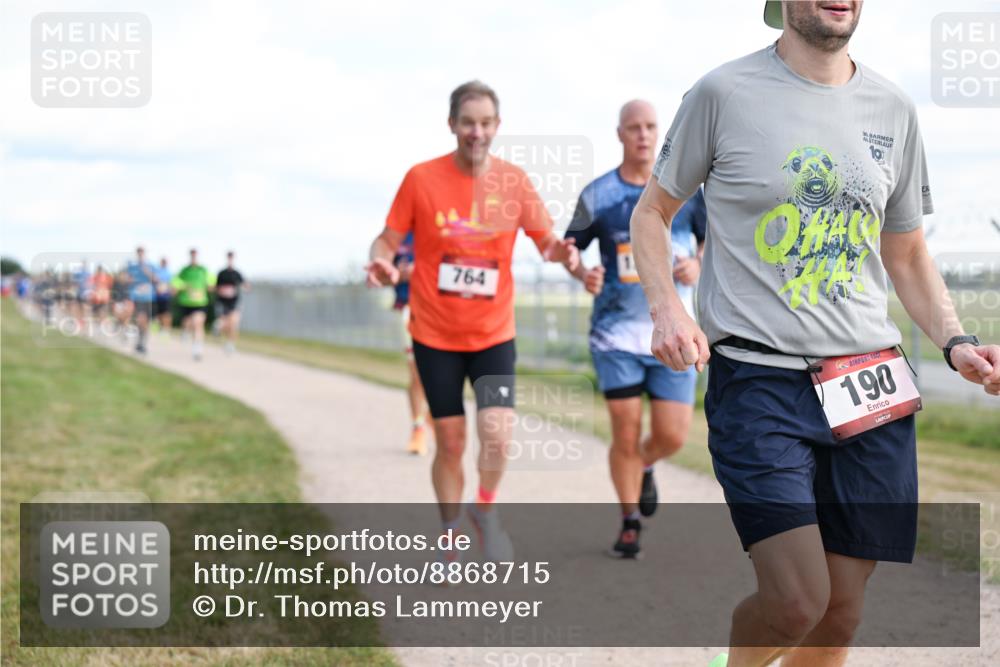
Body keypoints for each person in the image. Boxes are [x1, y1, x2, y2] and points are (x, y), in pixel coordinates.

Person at [630, 3, 1000, 666]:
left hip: (870, 383)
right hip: (758, 379)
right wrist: (668, 308)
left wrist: (955, 339)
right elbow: (652, 213)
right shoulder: (722, 93)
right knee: (796, 599)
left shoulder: (893, 107)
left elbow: (908, 253)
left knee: (839, 613)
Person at [365, 80, 579, 561]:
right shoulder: (421, 179)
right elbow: (387, 239)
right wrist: (380, 260)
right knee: (451, 439)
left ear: (497, 126)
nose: (476, 132)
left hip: (492, 335)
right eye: (468, 122)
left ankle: (484, 509)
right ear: (451, 125)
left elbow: (545, 242)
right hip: (435, 334)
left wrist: (562, 252)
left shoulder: (514, 181)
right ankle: (449, 535)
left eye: (485, 123)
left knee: (498, 436)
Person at [563, 100, 706, 559]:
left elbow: (711, 240)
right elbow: (571, 247)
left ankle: (645, 464)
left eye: (650, 127)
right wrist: (580, 272)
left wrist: (696, 263)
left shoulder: (685, 191)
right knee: (623, 432)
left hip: (675, 334)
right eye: (633, 128)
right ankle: (628, 523)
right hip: (615, 337)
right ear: (620, 134)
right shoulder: (598, 195)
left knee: (673, 435)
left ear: (659, 133)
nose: (643, 135)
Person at [393, 232, 430, 455]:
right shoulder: (399, 236)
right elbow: (385, 269)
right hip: (410, 308)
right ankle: (418, 427)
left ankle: (432, 417)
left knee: (437, 374)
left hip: (442, 311)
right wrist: (398, 274)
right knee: (416, 372)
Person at [172, 248, 215, 361]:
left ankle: (198, 348)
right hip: (186, 302)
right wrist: (182, 287)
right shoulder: (184, 270)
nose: (194, 258)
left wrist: (210, 286)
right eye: (192, 256)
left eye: (195, 256)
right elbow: (175, 282)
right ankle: (185, 331)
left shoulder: (203, 270)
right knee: (188, 323)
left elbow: (211, 282)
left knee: (198, 323)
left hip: (200, 302)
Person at [125, 246, 157, 354]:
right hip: (137, 296)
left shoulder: (151, 265)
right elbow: (127, 280)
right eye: (139, 252)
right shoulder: (132, 266)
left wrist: (147, 271)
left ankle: (142, 342)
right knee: (140, 319)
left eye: (142, 252)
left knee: (146, 322)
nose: (140, 254)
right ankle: (139, 342)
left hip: (149, 297)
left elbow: (156, 280)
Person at [215, 251, 248, 355]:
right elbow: (216, 287)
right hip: (223, 302)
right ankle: (219, 328)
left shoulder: (237, 273)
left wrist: (244, 287)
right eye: (229, 258)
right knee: (226, 324)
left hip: (234, 302)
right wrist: (223, 290)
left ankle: (231, 344)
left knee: (234, 323)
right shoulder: (221, 273)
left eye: (231, 258)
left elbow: (245, 285)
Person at [154, 257, 174, 334]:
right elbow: (154, 281)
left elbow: (171, 284)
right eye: (163, 262)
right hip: (158, 297)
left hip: (166, 296)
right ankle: (161, 327)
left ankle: (167, 328)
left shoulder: (169, 273)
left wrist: (167, 290)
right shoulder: (157, 272)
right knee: (159, 313)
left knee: (166, 313)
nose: (164, 263)